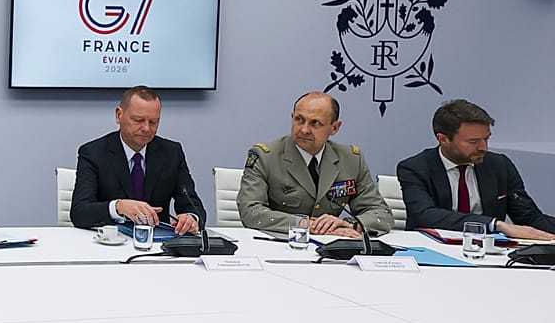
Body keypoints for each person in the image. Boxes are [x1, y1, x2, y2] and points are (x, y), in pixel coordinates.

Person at [238, 91, 393, 238]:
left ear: (334, 128)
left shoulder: (351, 159)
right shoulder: (266, 156)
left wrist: (350, 224)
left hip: (332, 247)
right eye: (299, 119)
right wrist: (305, 225)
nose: (304, 129)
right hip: (280, 244)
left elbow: (381, 214)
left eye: (315, 123)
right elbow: (251, 211)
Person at [397, 98, 555, 239]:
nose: (484, 148)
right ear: (443, 139)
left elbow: (529, 218)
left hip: (490, 252)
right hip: (432, 250)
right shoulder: (415, 168)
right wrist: (495, 225)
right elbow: (425, 216)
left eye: (486, 139)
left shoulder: (499, 165)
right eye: (473, 141)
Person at [70, 85, 204, 233]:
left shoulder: (171, 153)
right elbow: (79, 212)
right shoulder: (93, 153)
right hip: (110, 241)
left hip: (158, 243)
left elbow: (192, 204)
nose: (146, 128)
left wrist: (191, 218)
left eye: (153, 122)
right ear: (119, 115)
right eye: (138, 120)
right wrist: (118, 206)